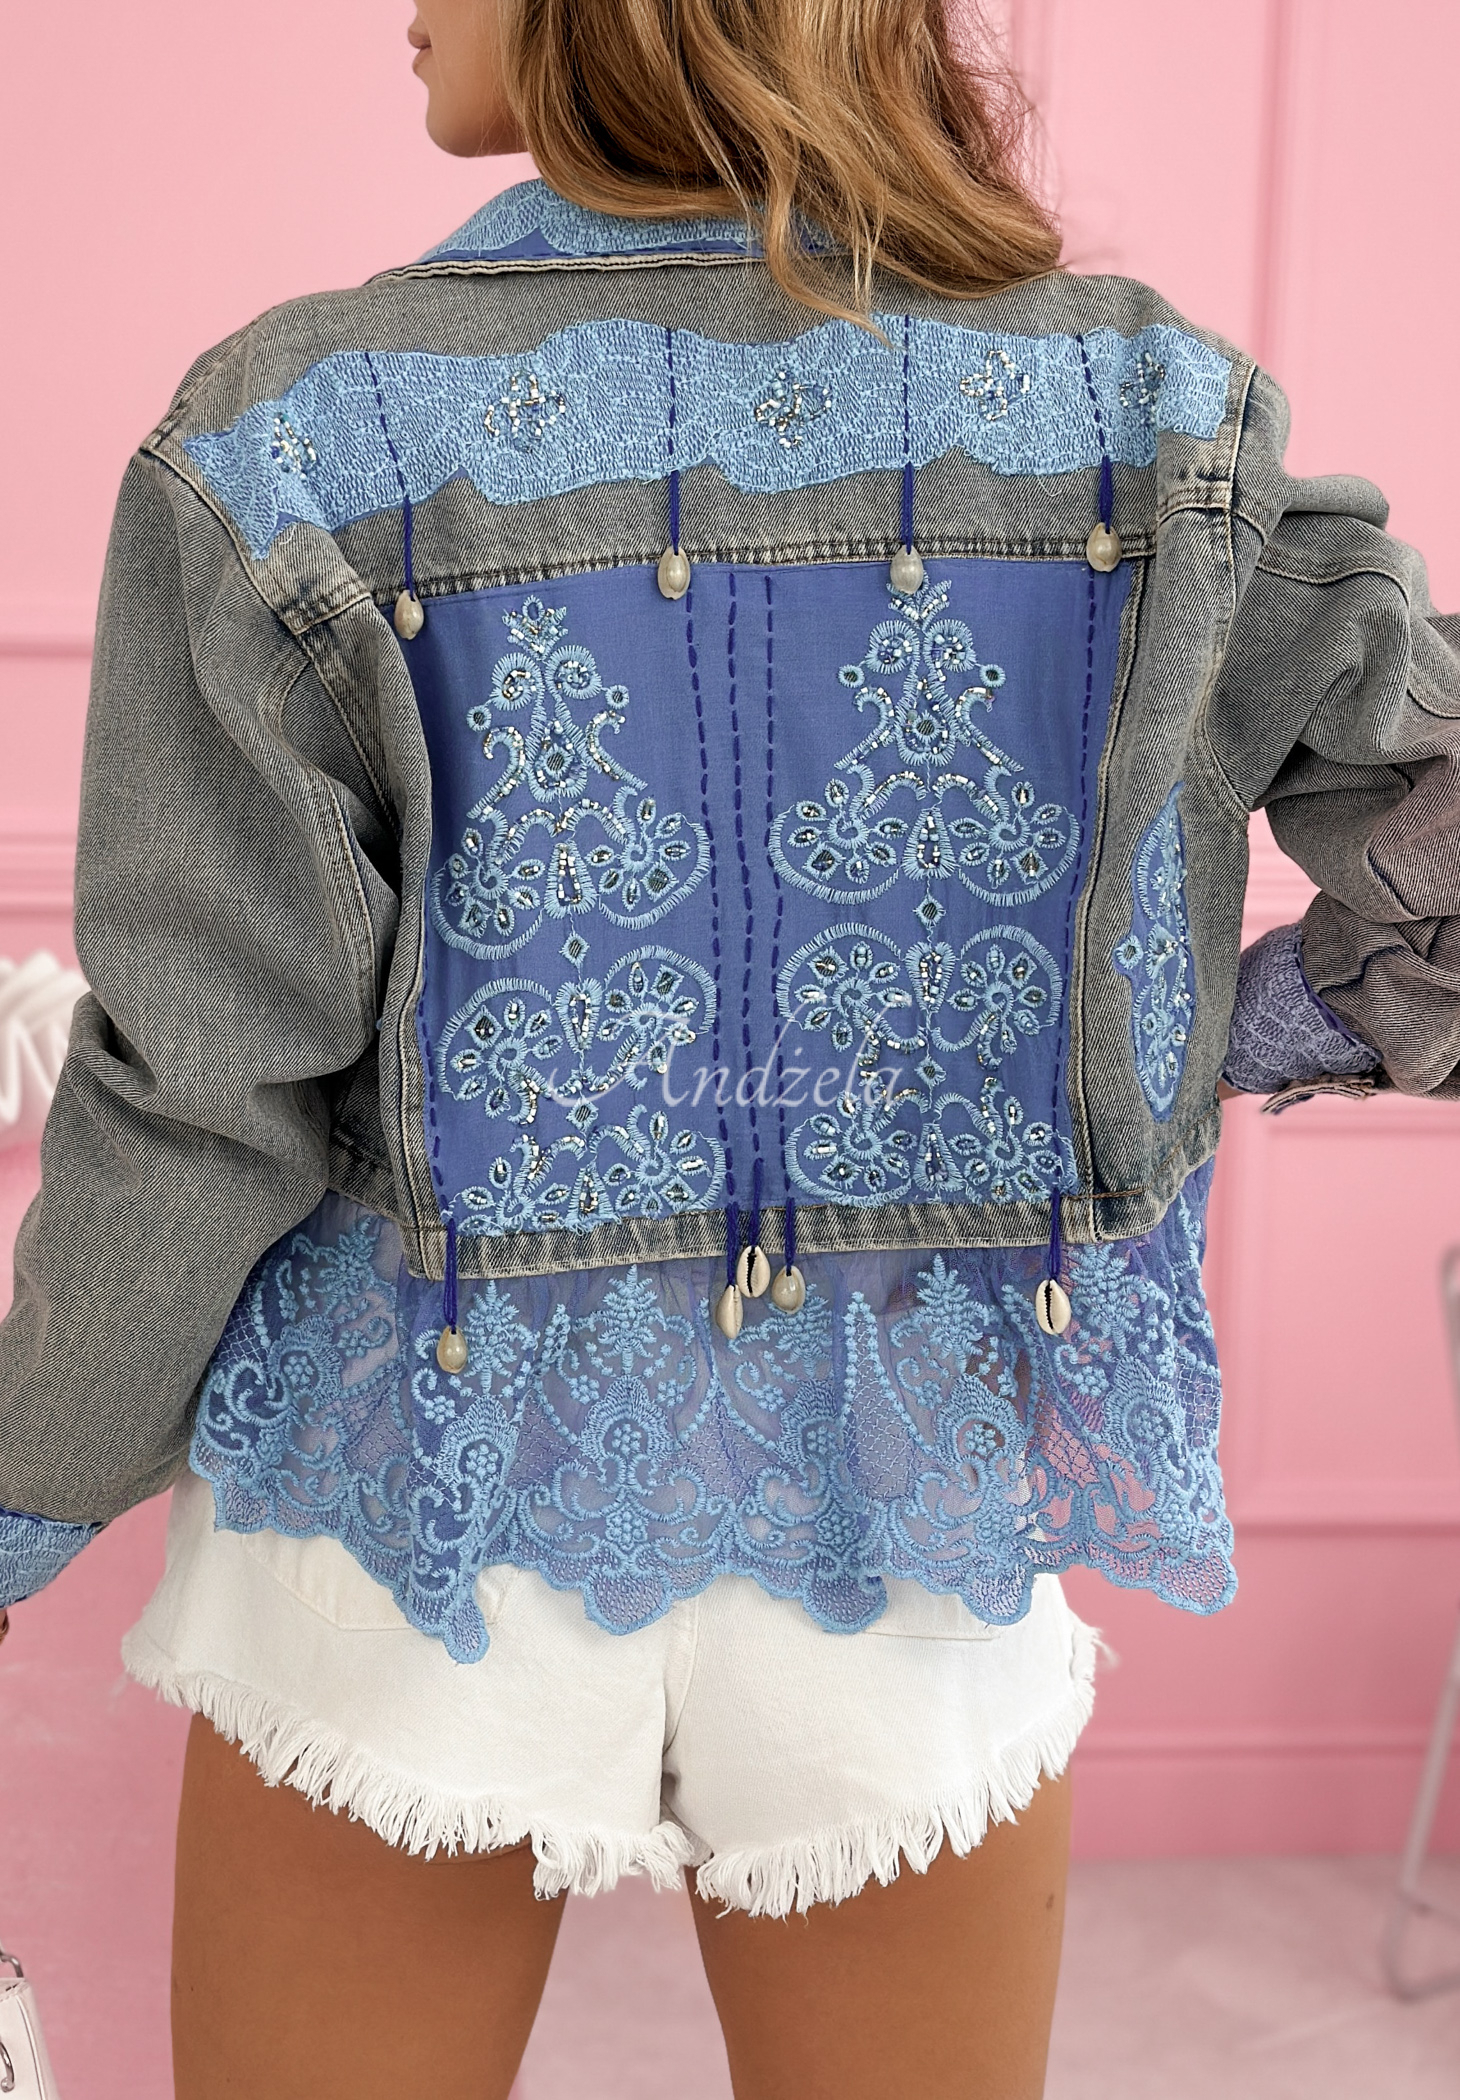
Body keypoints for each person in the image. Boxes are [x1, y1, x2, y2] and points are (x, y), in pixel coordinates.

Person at [3, 0, 1457, 2093]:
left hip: (416, 1500)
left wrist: (21, 1496)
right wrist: (1211, 1037)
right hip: (917, 1492)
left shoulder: (295, 434)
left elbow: (204, 1088)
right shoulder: (1147, 408)